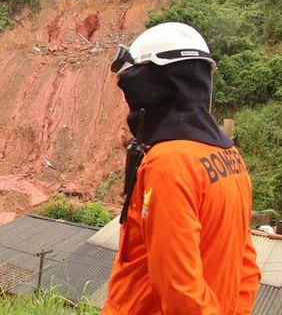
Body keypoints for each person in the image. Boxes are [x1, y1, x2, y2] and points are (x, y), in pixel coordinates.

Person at [103, 22, 261, 314]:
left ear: (153, 86)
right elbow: (246, 265)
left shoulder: (169, 163)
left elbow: (179, 289)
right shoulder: (230, 156)